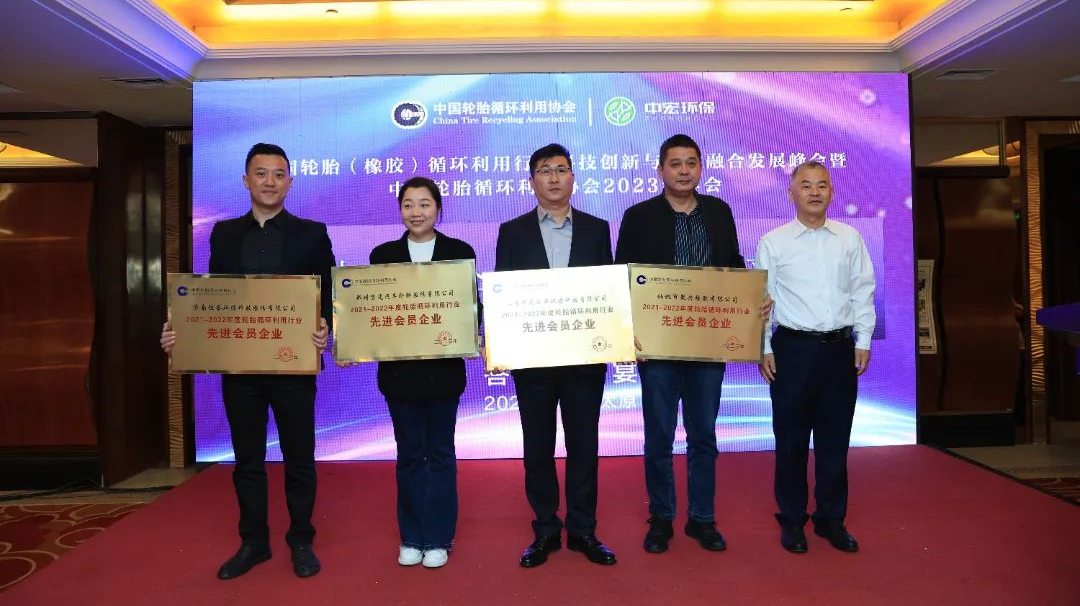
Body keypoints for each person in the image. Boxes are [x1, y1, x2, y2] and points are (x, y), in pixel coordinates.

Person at [160, 143, 333, 579]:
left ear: (290, 182)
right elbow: (212, 299)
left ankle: (300, 539)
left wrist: (326, 326)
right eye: (261, 173)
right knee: (247, 460)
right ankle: (254, 542)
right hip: (241, 371)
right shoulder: (224, 234)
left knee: (299, 457)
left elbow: (328, 297)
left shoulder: (312, 233)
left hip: (293, 368)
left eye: (279, 174)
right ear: (246, 180)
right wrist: (181, 333)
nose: (270, 182)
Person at [615, 134, 748, 554]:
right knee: (658, 436)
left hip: (708, 342)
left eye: (691, 162)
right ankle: (661, 517)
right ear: (661, 171)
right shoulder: (639, 216)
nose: (684, 170)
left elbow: (733, 268)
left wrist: (751, 299)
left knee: (703, 435)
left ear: (701, 168)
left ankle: (702, 519)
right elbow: (622, 277)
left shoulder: (719, 212)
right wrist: (628, 332)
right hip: (658, 346)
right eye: (675, 163)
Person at [494, 143, 617, 568]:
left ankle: (583, 530)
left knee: (584, 446)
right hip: (533, 362)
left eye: (561, 169)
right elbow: (504, 294)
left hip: (584, 361)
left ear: (573, 177)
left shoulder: (597, 229)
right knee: (538, 448)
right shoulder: (512, 232)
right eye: (545, 170)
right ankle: (545, 529)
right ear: (531, 181)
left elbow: (608, 293)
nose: (553, 177)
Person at [755, 160, 875, 554]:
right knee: (790, 441)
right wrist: (764, 348)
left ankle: (831, 519)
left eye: (822, 185)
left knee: (834, 441)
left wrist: (863, 339)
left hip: (839, 351)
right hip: (792, 351)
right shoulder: (774, 242)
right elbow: (762, 301)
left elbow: (863, 290)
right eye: (805, 185)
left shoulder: (849, 238)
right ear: (791, 193)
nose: (814, 192)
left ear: (832, 192)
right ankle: (792, 520)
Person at [364, 176, 476, 569]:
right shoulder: (383, 255)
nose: (416, 212)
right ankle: (411, 536)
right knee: (410, 454)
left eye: (424, 204)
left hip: (444, 374)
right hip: (400, 376)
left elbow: (470, 307)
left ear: (438, 209)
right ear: (400, 210)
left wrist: (473, 332)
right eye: (408, 204)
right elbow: (369, 311)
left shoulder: (459, 252)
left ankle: (440, 538)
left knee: (441, 454)